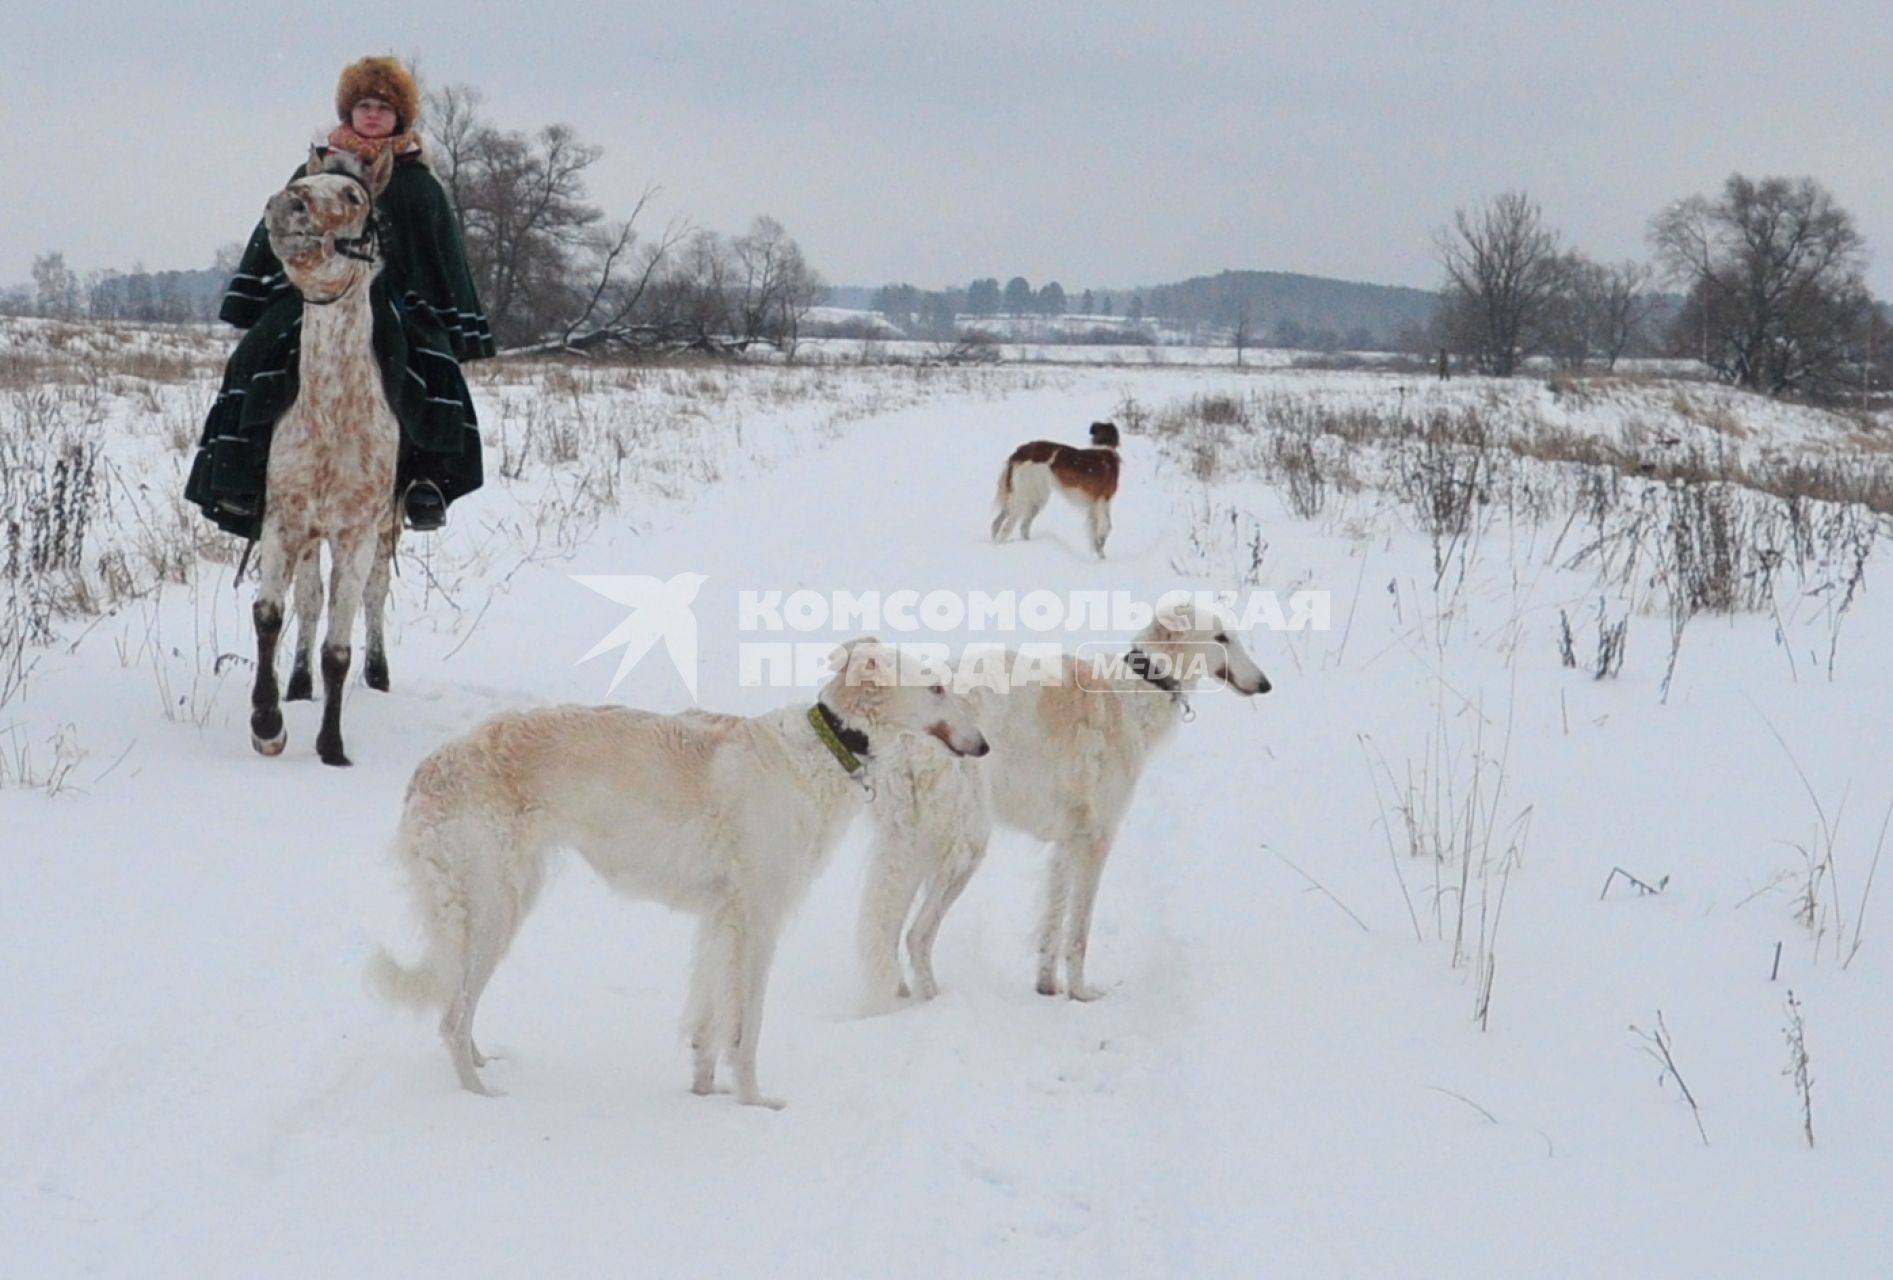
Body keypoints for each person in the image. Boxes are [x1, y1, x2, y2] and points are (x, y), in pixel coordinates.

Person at [186, 55, 494, 537]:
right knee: (252, 355)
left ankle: (426, 480)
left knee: (433, 363)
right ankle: (240, 477)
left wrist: (438, 312)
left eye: (383, 107)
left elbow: (441, 257)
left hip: (399, 302)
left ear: (400, 117)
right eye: (364, 105)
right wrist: (269, 288)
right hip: (310, 296)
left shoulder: (419, 184)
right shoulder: (315, 171)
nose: (372, 115)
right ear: (349, 112)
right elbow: (279, 230)